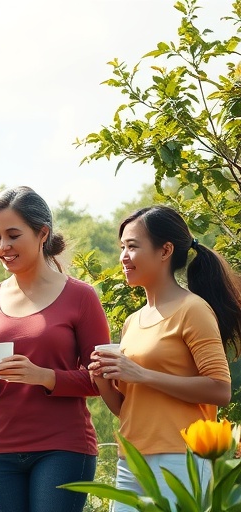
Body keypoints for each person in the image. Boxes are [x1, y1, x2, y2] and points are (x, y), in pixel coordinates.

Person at [0, 186, 109, 512]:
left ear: (42, 233)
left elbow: (100, 380)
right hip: (0, 453)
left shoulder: (81, 297)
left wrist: (44, 377)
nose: (3, 246)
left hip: (64, 448)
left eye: (13, 235)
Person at [90, 205, 239, 511]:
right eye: (122, 248)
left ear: (165, 250)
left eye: (132, 246)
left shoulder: (192, 310)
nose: (123, 257)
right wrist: (103, 381)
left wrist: (142, 374)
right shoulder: (133, 321)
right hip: (131, 460)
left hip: (179, 458)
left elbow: (220, 390)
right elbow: (127, 409)